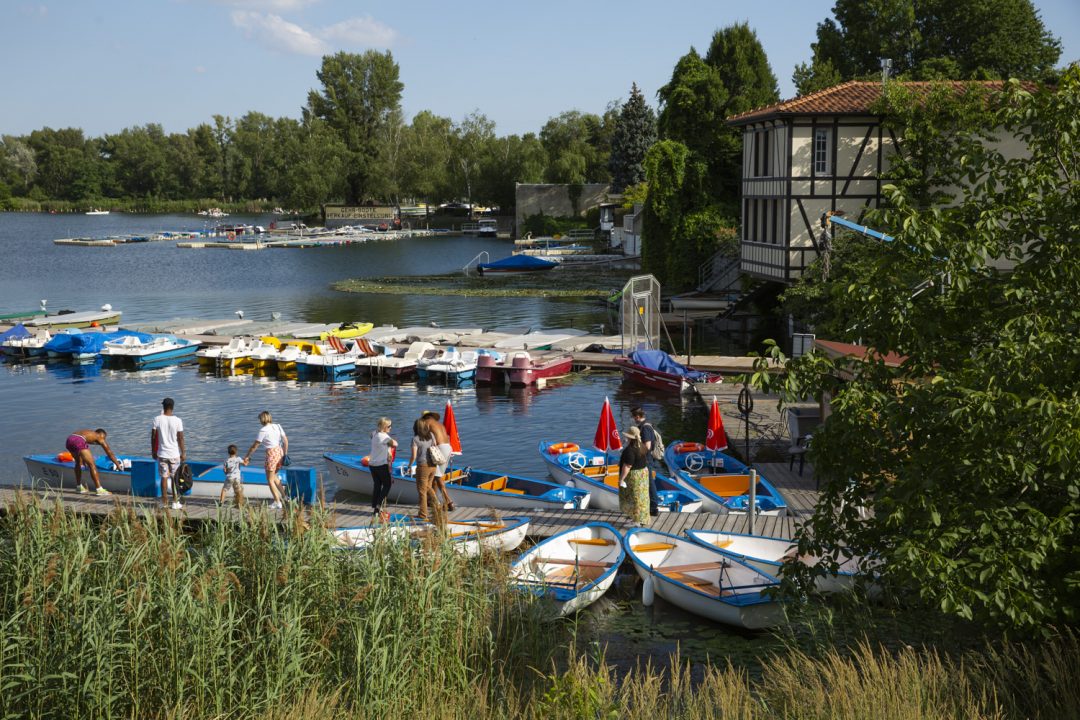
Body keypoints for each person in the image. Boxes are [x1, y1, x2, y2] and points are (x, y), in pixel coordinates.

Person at [243, 411, 288, 509]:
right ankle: (285, 497)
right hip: (280, 452)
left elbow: (255, 446)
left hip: (271, 455)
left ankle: (277, 502)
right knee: (274, 476)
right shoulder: (278, 426)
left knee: (270, 480)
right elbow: (285, 441)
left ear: (262, 419)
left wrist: (247, 456)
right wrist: (285, 454)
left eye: (260, 419)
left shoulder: (263, 430)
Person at [151, 397, 186, 510]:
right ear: (173, 407)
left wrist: (153, 450)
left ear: (163, 406)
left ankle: (165, 502)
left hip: (162, 454)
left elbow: (153, 436)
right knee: (175, 478)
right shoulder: (178, 420)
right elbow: (180, 437)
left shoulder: (157, 419)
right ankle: (175, 502)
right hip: (174, 454)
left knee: (164, 478)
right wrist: (183, 452)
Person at [65, 428, 121, 495]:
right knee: (92, 465)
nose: (103, 440)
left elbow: (78, 445)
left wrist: (83, 459)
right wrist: (117, 464)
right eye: (104, 437)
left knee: (77, 462)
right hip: (78, 440)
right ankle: (99, 489)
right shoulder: (99, 436)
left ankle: (79, 487)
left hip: (70, 439)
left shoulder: (87, 433)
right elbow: (110, 453)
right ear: (101, 434)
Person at [421, 410, 455, 512]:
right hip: (448, 447)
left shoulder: (426, 423)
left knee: (437, 476)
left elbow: (423, 439)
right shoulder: (439, 424)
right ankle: (431, 501)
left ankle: (448, 501)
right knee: (436, 475)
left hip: (440, 448)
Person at [408, 415, 440, 521]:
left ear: (415, 428)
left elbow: (413, 456)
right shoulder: (431, 435)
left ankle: (423, 514)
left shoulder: (415, 439)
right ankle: (436, 505)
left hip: (423, 466)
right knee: (428, 487)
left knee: (422, 490)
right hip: (433, 465)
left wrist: (409, 466)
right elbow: (435, 446)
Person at [617, 426, 650, 526]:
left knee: (634, 498)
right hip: (643, 475)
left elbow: (627, 466)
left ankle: (636, 521)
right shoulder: (642, 446)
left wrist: (621, 479)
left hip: (634, 477)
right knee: (642, 497)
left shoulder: (630, 450)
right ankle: (640, 519)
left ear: (630, 437)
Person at [631, 407, 660, 517]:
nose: (634, 419)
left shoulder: (645, 428)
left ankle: (653, 507)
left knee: (649, 483)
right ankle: (651, 505)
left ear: (637, 416)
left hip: (645, 459)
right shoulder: (646, 425)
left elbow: (647, 446)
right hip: (645, 459)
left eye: (634, 417)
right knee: (647, 482)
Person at [369, 417, 398, 520]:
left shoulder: (374, 433)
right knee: (387, 485)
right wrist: (390, 439)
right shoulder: (384, 437)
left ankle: (375, 507)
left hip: (372, 464)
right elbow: (395, 444)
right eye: (389, 426)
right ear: (385, 427)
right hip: (381, 465)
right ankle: (378, 506)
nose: (391, 428)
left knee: (377, 485)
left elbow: (370, 436)